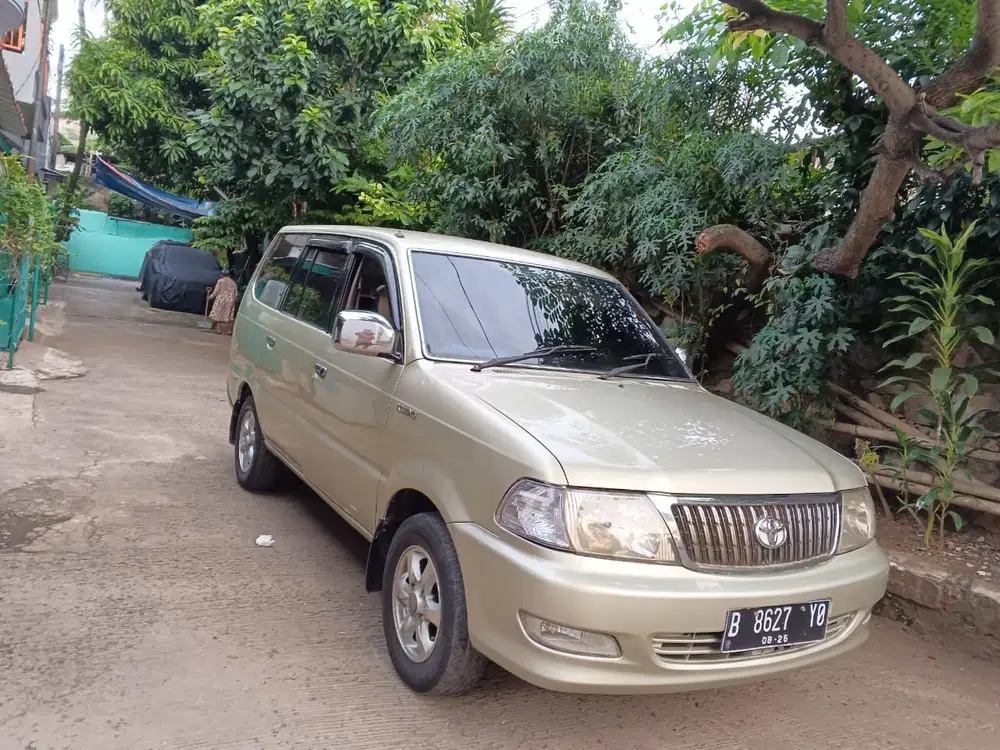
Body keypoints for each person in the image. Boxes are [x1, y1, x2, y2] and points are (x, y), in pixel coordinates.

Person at [207, 269, 238, 335]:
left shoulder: (220, 281)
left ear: (222, 275)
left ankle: (219, 330)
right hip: (231, 299)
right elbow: (236, 293)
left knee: (218, 313)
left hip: (221, 299)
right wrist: (234, 299)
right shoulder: (233, 282)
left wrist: (210, 297)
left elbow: (216, 291)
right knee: (230, 315)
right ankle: (229, 331)